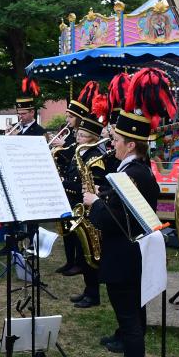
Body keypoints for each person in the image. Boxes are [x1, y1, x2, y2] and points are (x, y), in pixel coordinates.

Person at [85, 110, 163, 357]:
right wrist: (105, 192)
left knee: (129, 322)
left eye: (116, 139)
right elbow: (128, 209)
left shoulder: (132, 174)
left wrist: (96, 203)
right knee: (134, 317)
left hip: (123, 256)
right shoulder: (138, 169)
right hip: (135, 254)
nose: (112, 144)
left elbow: (115, 221)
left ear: (131, 144)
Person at [65, 92, 112, 309]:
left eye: (82, 136)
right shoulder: (80, 153)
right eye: (79, 134)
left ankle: (93, 294)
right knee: (84, 256)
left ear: (93, 138)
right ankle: (87, 290)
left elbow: (99, 185)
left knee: (91, 256)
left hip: (91, 211)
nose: (78, 138)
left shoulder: (95, 158)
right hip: (80, 209)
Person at [55, 81, 97, 276]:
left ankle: (79, 262)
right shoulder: (73, 137)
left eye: (71, 116)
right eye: (68, 116)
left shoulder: (77, 140)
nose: (68, 119)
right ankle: (70, 260)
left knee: (77, 233)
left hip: (77, 194)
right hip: (67, 190)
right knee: (66, 230)